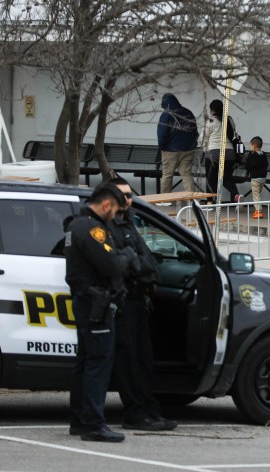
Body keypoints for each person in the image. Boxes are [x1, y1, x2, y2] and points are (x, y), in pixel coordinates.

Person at [65, 182, 137, 443]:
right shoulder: (92, 229)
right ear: (106, 205)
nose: (116, 216)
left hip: (87, 301)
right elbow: (111, 264)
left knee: (85, 362)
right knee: (98, 363)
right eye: (115, 211)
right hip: (96, 303)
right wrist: (127, 254)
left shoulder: (77, 224)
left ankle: (80, 421)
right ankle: (94, 423)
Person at [107, 178, 177, 432]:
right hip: (124, 301)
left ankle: (149, 409)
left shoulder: (128, 221)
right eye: (123, 195)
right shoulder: (109, 226)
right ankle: (135, 413)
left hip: (139, 300)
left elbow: (144, 258)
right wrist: (144, 268)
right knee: (129, 360)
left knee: (143, 359)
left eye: (129, 195)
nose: (128, 199)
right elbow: (128, 263)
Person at [157, 93, 199, 194]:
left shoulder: (167, 114)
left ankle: (165, 199)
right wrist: (192, 145)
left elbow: (162, 133)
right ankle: (191, 199)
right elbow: (195, 131)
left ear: (165, 104)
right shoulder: (188, 113)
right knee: (186, 174)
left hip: (170, 150)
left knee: (167, 175)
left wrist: (162, 146)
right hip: (188, 150)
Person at [202, 99, 241, 204]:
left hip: (213, 154)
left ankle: (210, 202)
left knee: (211, 179)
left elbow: (204, 139)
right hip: (229, 154)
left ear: (212, 109)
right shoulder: (229, 120)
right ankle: (236, 195)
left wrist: (205, 151)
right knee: (226, 179)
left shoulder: (210, 121)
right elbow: (232, 135)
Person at [245, 137, 268, 219]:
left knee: (256, 195)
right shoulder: (264, 154)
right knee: (258, 194)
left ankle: (259, 211)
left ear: (254, 146)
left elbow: (248, 165)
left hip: (255, 178)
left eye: (251, 146)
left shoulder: (252, 155)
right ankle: (256, 210)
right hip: (263, 178)